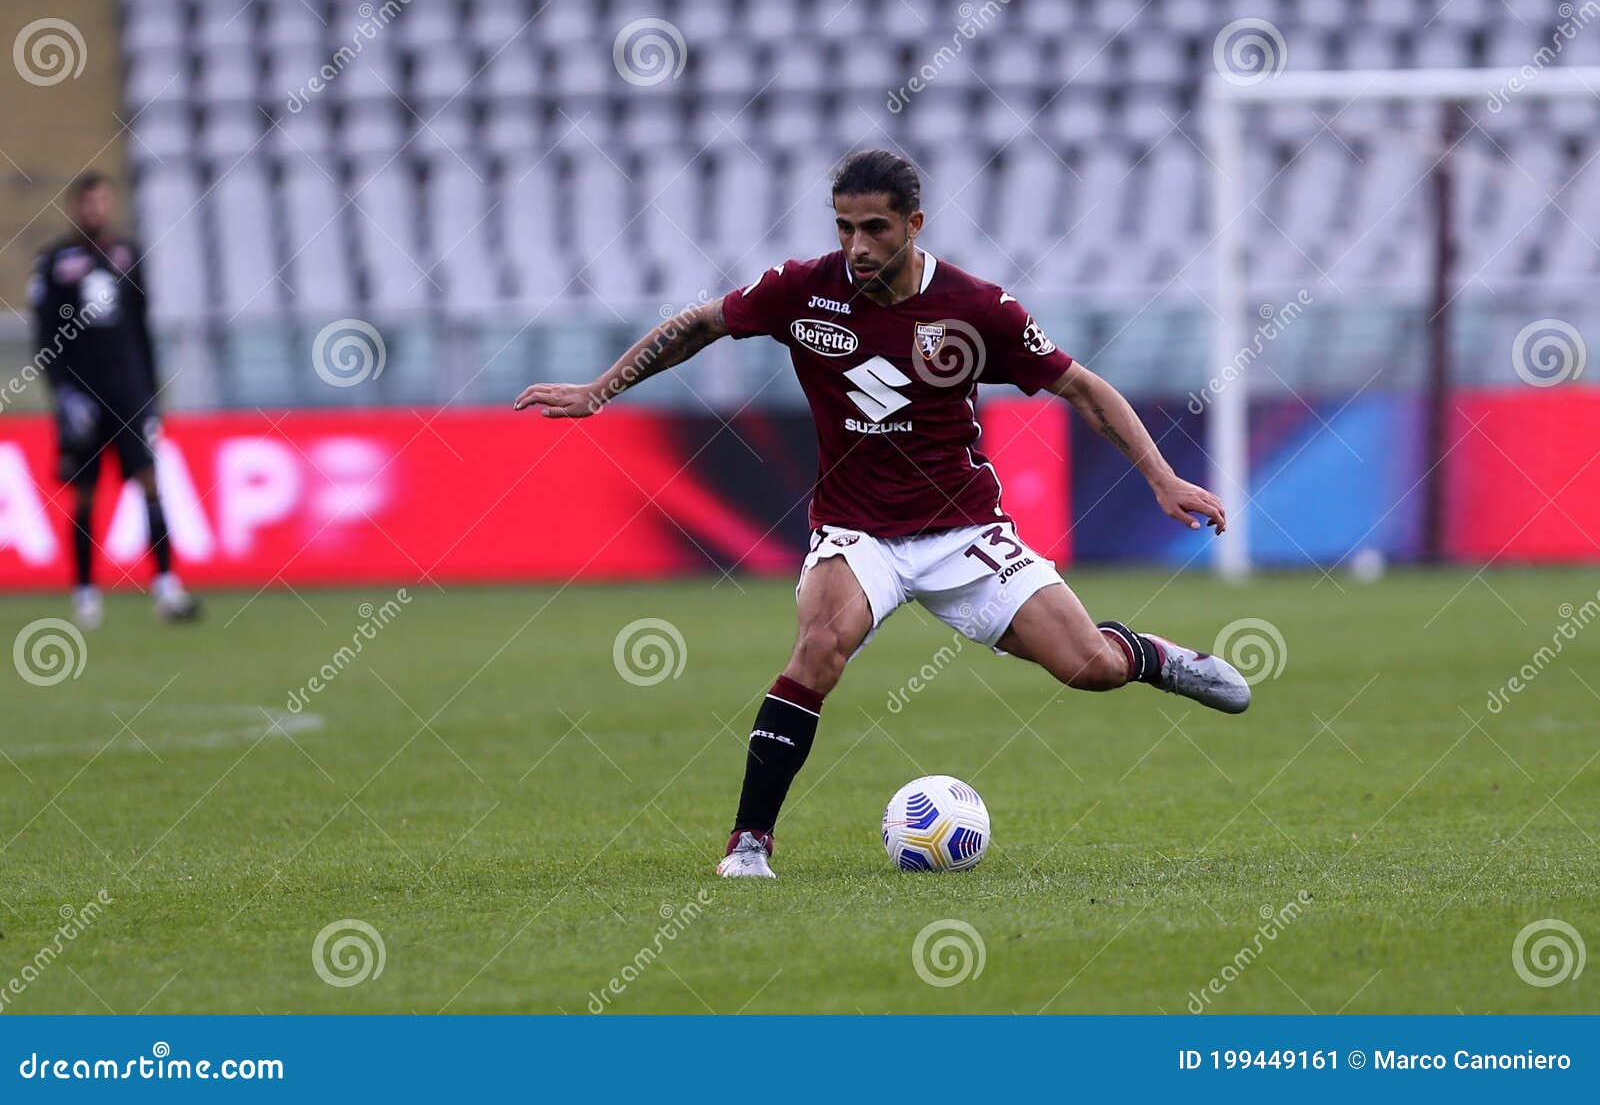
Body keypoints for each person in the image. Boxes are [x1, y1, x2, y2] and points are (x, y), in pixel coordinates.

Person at [515, 150, 1247, 879]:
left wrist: (1162, 478)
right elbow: (699, 325)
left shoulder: (975, 309)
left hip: (965, 530)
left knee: (1090, 668)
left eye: (875, 228)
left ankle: (1153, 658)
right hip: (857, 531)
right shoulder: (802, 290)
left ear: (914, 224)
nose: (857, 247)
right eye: (844, 228)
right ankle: (748, 843)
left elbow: (1083, 389)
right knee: (820, 647)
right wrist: (599, 390)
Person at [29, 172, 198, 626]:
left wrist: (150, 396)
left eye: (101, 201)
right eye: (86, 203)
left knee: (148, 483)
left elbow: (141, 330)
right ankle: (86, 595)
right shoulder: (53, 262)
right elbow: (44, 336)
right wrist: (62, 392)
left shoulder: (128, 257)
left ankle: (167, 589)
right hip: (81, 396)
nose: (94, 210)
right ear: (74, 207)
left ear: (108, 205)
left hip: (127, 396)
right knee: (84, 496)